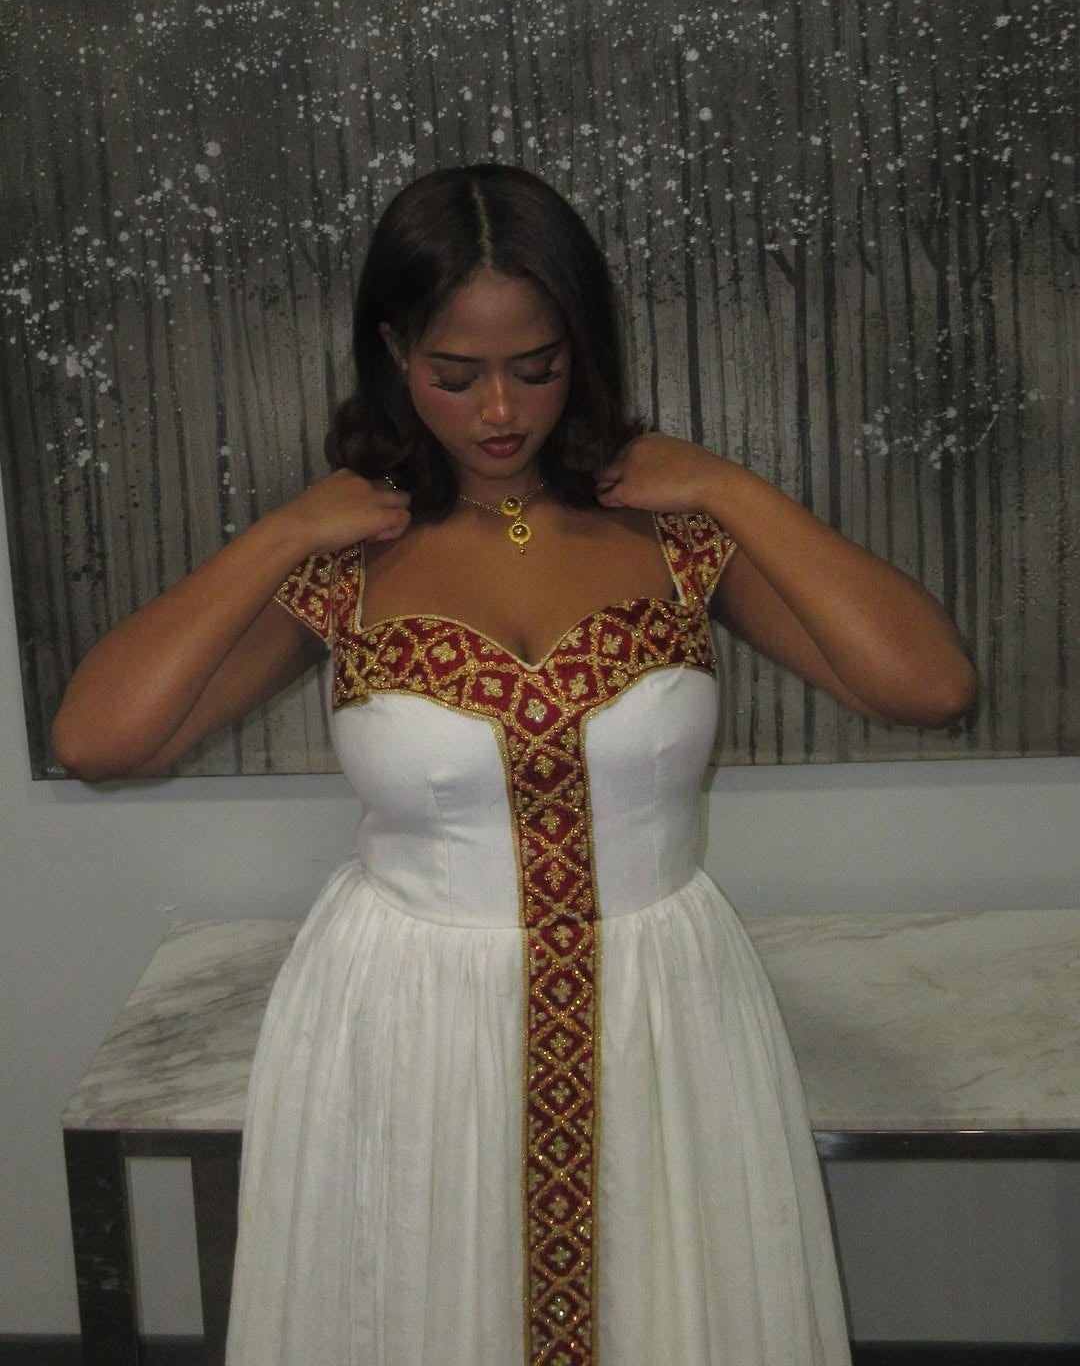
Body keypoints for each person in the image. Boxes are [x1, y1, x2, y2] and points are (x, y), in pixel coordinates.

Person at [53, 163, 976, 1366]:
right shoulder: (350, 561)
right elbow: (99, 741)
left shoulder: (674, 535)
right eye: (455, 373)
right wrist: (282, 530)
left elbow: (929, 685)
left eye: (536, 366)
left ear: (581, 349)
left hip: (662, 1010)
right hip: (408, 1024)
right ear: (392, 353)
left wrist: (731, 487)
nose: (501, 410)